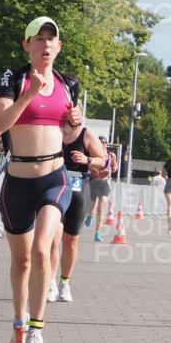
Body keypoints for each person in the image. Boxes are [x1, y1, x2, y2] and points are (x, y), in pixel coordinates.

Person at [0, 16, 82, 343]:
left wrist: (75, 124)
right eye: (38, 38)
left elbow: (70, 135)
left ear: (59, 47)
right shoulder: (13, 79)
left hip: (54, 178)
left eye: (51, 39)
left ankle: (37, 332)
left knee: (44, 251)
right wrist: (29, 93)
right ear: (26, 45)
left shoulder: (67, 83)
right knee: (23, 259)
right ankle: (18, 327)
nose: (45, 45)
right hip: (17, 181)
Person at [48, 123, 107, 302]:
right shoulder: (52, 130)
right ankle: (50, 282)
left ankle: (64, 283)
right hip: (54, 186)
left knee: (71, 240)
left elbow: (102, 160)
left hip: (78, 188)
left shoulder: (86, 134)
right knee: (53, 238)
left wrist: (87, 160)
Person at [86, 135, 114, 242]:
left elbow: (114, 167)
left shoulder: (111, 156)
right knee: (92, 207)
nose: (103, 144)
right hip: (94, 183)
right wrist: (99, 173)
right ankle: (90, 216)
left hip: (104, 184)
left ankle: (97, 233)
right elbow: (90, 168)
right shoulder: (93, 155)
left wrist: (110, 171)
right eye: (101, 142)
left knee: (101, 207)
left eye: (105, 142)